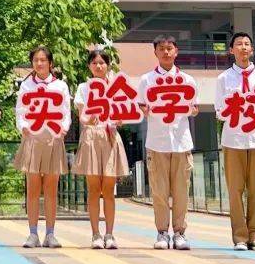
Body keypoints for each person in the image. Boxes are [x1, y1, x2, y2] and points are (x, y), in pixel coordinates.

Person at [136, 35, 199, 251]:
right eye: (161, 48)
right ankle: (162, 232)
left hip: (181, 142)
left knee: (182, 190)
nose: (166, 52)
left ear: (176, 51)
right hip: (157, 142)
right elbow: (141, 107)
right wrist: (145, 110)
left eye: (169, 48)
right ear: (155, 52)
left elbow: (194, 108)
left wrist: (192, 110)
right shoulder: (146, 80)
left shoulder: (188, 80)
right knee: (159, 191)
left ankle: (180, 232)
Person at [215, 31, 255, 251]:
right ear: (231, 50)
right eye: (238, 44)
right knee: (235, 189)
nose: (243, 47)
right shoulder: (223, 79)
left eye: (247, 44)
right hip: (233, 139)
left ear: (252, 50)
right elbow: (219, 110)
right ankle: (239, 236)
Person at [72, 48, 130, 249]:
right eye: (95, 63)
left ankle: (110, 234)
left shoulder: (115, 87)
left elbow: (123, 112)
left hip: (110, 136)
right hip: (91, 137)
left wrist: (120, 119)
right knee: (94, 188)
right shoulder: (83, 88)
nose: (98, 66)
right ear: (89, 66)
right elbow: (81, 116)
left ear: (108, 66)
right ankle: (95, 234)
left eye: (102, 63)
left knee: (109, 189)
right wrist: (89, 118)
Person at [14, 46, 71, 249]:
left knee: (51, 188)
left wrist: (63, 129)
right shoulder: (26, 85)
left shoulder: (60, 86)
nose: (39, 64)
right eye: (36, 60)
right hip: (32, 140)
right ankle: (32, 233)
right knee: (32, 188)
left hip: (53, 139)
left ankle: (50, 233)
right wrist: (23, 127)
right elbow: (20, 110)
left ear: (50, 63)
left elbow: (66, 111)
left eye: (43, 60)